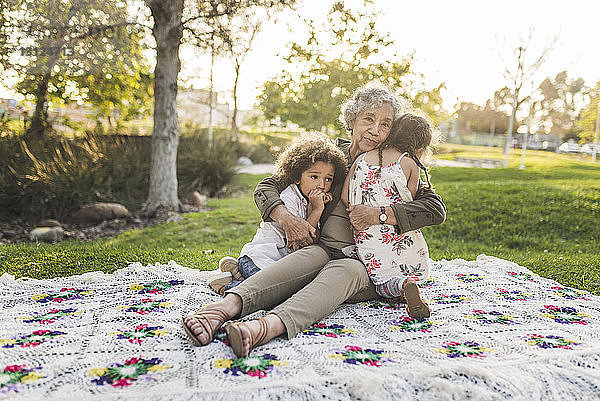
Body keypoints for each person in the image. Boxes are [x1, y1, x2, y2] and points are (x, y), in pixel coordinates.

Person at [182, 83, 446, 358]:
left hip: (363, 263)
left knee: (346, 270)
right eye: (368, 118)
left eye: (385, 123)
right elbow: (267, 188)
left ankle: (263, 328)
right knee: (310, 257)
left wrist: (379, 214)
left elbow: (435, 208)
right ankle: (220, 310)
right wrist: (286, 219)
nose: (375, 129)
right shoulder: (328, 156)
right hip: (322, 248)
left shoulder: (394, 164)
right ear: (353, 120)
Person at [208, 133, 348, 294]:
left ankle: (236, 273)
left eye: (328, 179)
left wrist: (316, 209)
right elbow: (301, 242)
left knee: (293, 287)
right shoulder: (289, 197)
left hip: (275, 266)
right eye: (314, 177)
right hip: (260, 260)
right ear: (296, 177)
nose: (321, 185)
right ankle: (227, 286)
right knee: (273, 293)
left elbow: (314, 239)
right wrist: (316, 210)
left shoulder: (313, 201)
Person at [341, 113, 437, 319]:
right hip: (400, 232)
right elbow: (410, 200)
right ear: (419, 148)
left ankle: (400, 286)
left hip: (368, 234)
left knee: (381, 277)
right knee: (406, 269)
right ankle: (407, 283)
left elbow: (344, 195)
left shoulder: (362, 159)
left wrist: (357, 208)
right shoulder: (409, 163)